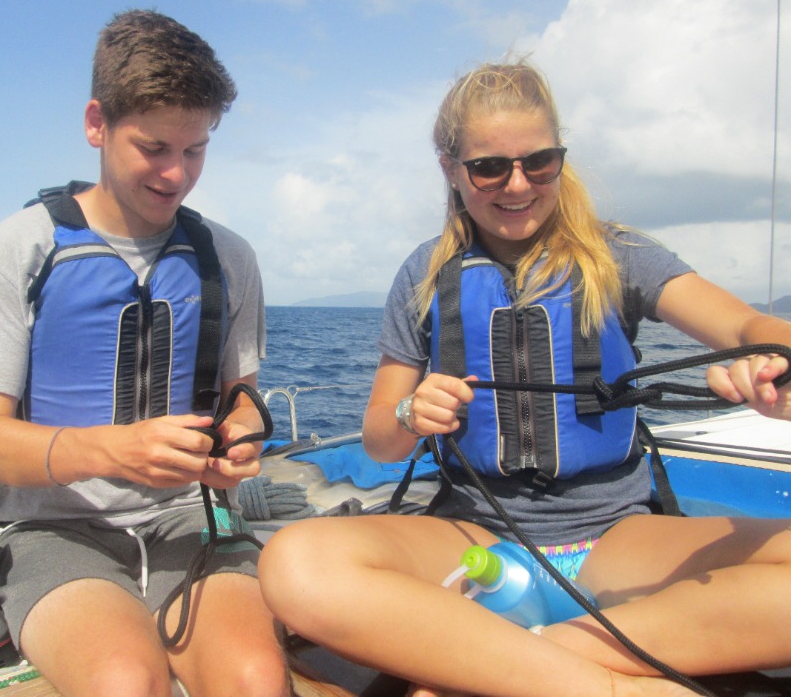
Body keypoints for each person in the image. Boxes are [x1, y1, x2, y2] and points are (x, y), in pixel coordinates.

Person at [259, 60, 791, 697]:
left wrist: (773, 360)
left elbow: (747, 326)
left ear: (560, 156)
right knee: (295, 563)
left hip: (616, 539)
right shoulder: (423, 276)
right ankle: (618, 687)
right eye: (489, 167)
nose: (517, 184)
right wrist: (410, 415)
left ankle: (528, 659)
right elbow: (379, 440)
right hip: (475, 539)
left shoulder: (619, 255)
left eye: (539, 162)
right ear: (451, 169)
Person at [0, 10, 288, 697]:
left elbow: (241, 401)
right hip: (51, 530)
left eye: (195, 150)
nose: (176, 173)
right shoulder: (18, 250)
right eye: (154, 147)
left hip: (192, 516)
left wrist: (241, 439)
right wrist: (116, 452)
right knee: (125, 682)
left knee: (255, 680)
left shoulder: (229, 257)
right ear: (97, 123)